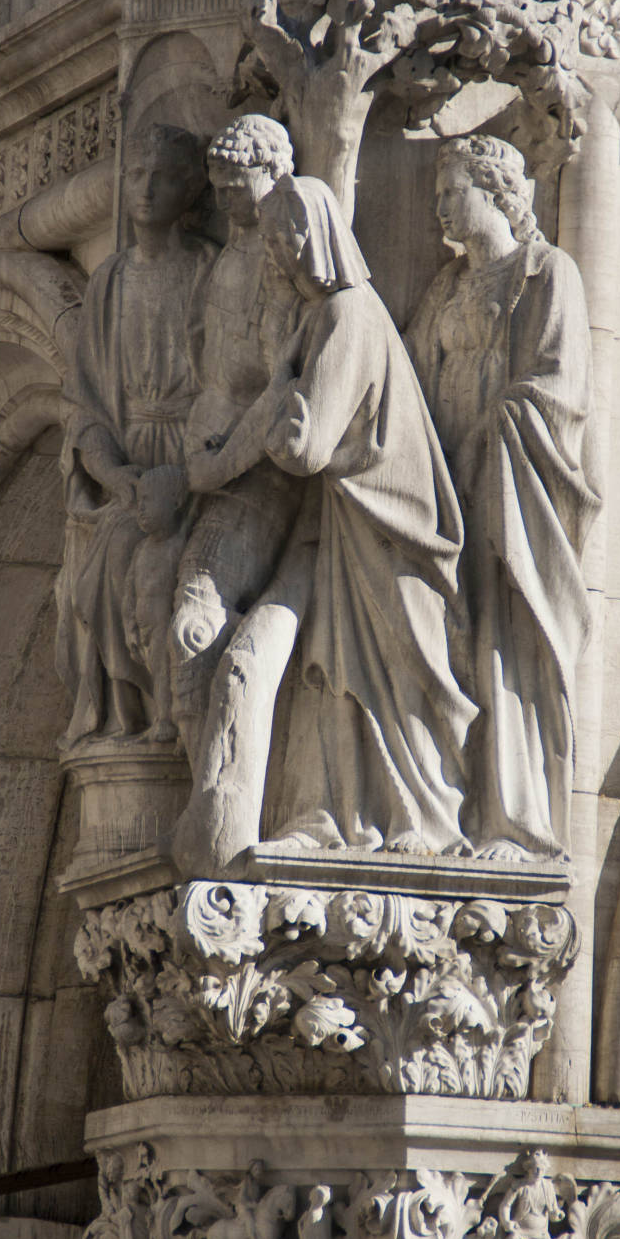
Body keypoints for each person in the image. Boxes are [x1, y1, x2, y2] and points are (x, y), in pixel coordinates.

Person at [183, 174, 476, 863]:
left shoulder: (350, 315)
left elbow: (306, 446)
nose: (287, 253)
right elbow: (274, 409)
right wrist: (221, 461)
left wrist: (253, 448)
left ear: (324, 235)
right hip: (346, 525)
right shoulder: (317, 319)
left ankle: (426, 821)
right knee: (332, 667)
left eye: (295, 236)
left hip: (391, 526)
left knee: (400, 672)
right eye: (278, 242)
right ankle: (337, 816)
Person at [407, 135, 600, 857]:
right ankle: (441, 803)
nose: (438, 207)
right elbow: (411, 384)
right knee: (448, 636)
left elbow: (557, 387)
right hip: (444, 482)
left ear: (494, 191)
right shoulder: (445, 289)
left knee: (505, 636)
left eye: (451, 191)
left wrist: (489, 440)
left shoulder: (547, 271)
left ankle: (513, 819)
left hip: (509, 483)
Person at [56, 116, 215, 748]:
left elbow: (231, 377)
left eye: (164, 179)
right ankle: (126, 721)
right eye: (138, 176)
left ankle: (172, 720)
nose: (146, 191)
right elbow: (86, 403)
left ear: (190, 192)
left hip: (192, 462)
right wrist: (111, 472)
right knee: (90, 585)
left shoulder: (208, 270)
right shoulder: (109, 283)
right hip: (129, 469)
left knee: (161, 585)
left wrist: (185, 471)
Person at [168, 115, 303, 767]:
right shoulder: (228, 257)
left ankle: (218, 790)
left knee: (197, 620)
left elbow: (283, 386)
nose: (224, 200)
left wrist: (221, 461)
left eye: (235, 185)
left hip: (253, 473)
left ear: (275, 175)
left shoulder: (284, 260)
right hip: (211, 463)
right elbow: (205, 357)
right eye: (216, 188)